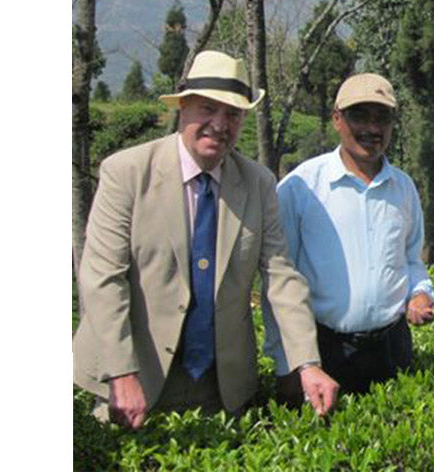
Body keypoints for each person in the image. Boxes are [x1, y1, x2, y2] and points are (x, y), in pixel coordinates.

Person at [73, 51, 339, 429]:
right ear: (182, 108)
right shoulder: (126, 173)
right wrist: (121, 372)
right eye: (207, 108)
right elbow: (102, 278)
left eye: (232, 113)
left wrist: (306, 363)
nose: (219, 124)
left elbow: (281, 277)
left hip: (221, 388)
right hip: (134, 378)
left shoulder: (258, 183)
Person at [264, 73, 434, 399]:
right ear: (337, 119)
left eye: (382, 117)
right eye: (360, 115)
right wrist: (287, 363)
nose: (372, 128)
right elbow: (278, 279)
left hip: (392, 348)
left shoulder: (404, 188)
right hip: (324, 351)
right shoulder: (301, 188)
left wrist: (420, 293)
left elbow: (411, 260)